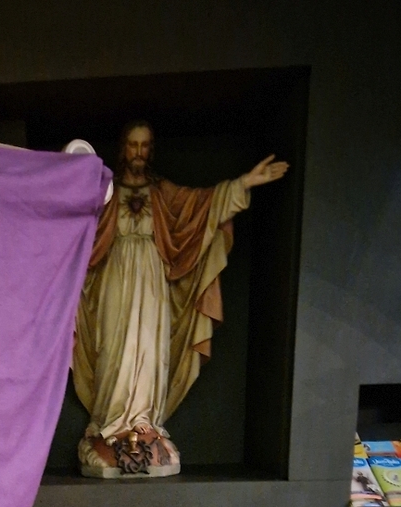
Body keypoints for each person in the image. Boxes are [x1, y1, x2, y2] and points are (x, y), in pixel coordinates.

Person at [73, 121, 288, 478]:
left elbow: (202, 205)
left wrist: (244, 183)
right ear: (123, 149)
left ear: (151, 150)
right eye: (132, 145)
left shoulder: (163, 192)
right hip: (113, 276)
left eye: (145, 145)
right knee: (113, 346)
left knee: (149, 347)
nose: (138, 152)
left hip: (153, 278)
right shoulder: (105, 193)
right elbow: (75, 222)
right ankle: (110, 421)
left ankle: (143, 420)